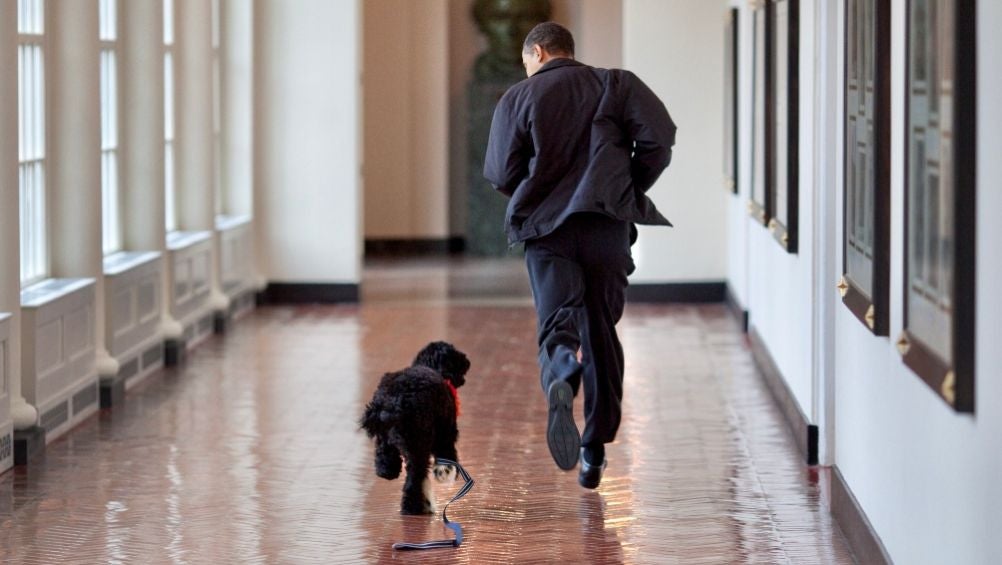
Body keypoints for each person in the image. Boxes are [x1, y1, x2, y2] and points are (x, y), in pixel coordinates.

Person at [483, 22, 676, 489]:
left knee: (558, 322)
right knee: (601, 330)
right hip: (606, 226)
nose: (526, 70)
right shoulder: (616, 83)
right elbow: (659, 139)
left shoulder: (518, 97)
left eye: (527, 61)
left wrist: (535, 190)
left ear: (541, 52)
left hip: (549, 231)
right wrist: (622, 185)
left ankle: (562, 370)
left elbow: (500, 171)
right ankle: (594, 450)